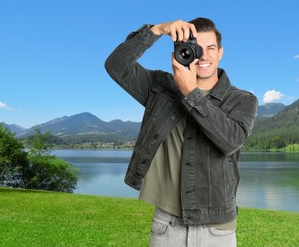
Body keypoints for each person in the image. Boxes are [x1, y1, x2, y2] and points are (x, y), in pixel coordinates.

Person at [105, 18, 258, 247]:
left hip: (217, 230)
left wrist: (191, 92)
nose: (204, 56)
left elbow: (231, 141)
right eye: (197, 48)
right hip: (167, 226)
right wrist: (158, 30)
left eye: (211, 48)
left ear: (221, 53)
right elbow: (116, 65)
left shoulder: (243, 100)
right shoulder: (160, 87)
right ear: (183, 51)